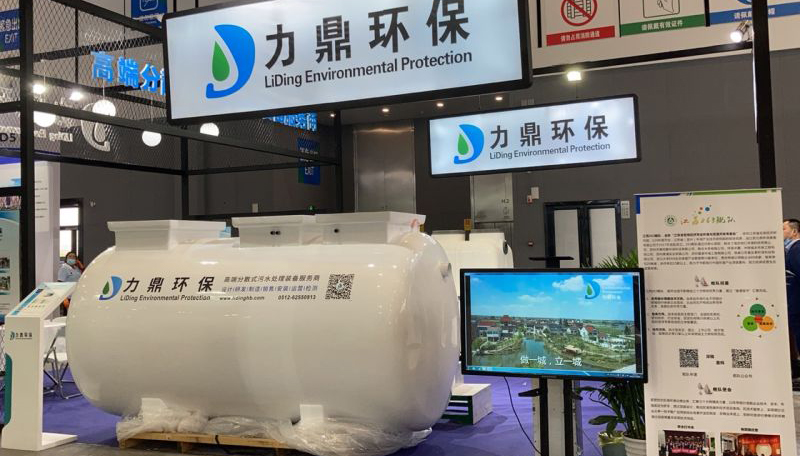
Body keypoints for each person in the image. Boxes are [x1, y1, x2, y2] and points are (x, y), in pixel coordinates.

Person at [783, 219, 800, 379]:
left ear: (794, 232)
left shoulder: (796, 250)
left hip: (797, 302)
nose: (781, 232)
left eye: (784, 229)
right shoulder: (791, 250)